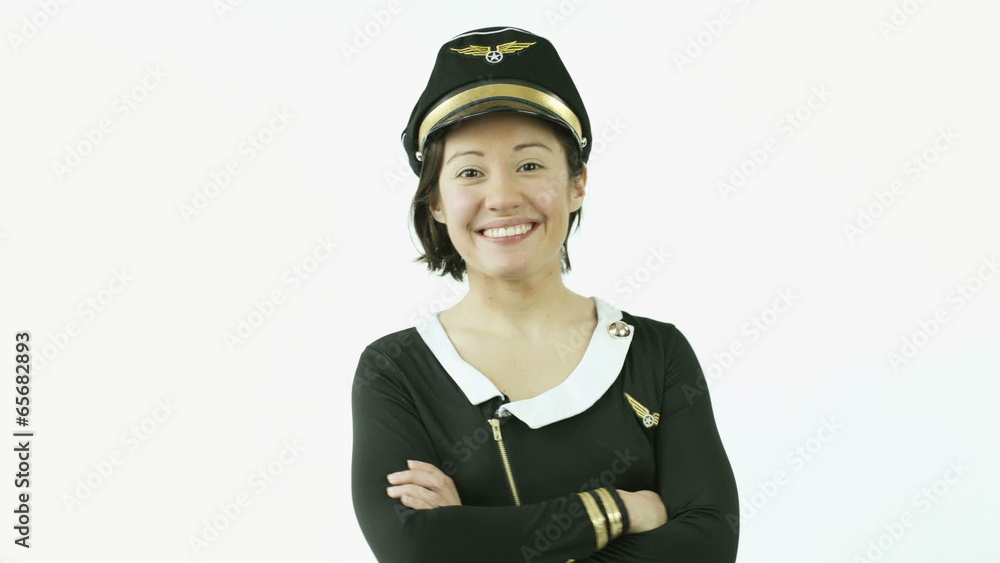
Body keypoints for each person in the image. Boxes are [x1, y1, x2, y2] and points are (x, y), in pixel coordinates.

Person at [351, 26, 739, 562]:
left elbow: (709, 545)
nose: (502, 197)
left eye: (530, 165)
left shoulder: (656, 353)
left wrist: (472, 536)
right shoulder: (395, 370)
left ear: (578, 184)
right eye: (470, 172)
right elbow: (413, 548)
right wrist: (622, 511)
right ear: (435, 201)